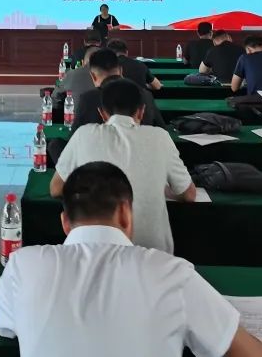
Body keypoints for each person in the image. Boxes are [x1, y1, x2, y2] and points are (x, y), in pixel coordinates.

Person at [0, 162, 262, 357]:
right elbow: (251, 353)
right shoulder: (171, 273)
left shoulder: (25, 264)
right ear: (125, 214)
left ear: (64, 222)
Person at [51, 78, 195, 253]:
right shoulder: (160, 137)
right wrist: (160, 188)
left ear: (102, 113)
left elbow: (56, 189)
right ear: (141, 111)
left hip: (95, 252)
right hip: (152, 256)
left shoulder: (84, 134)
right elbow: (189, 194)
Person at [72, 49, 165, 132]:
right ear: (120, 71)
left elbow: (74, 135)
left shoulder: (88, 99)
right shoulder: (145, 95)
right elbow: (162, 129)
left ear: (93, 76)